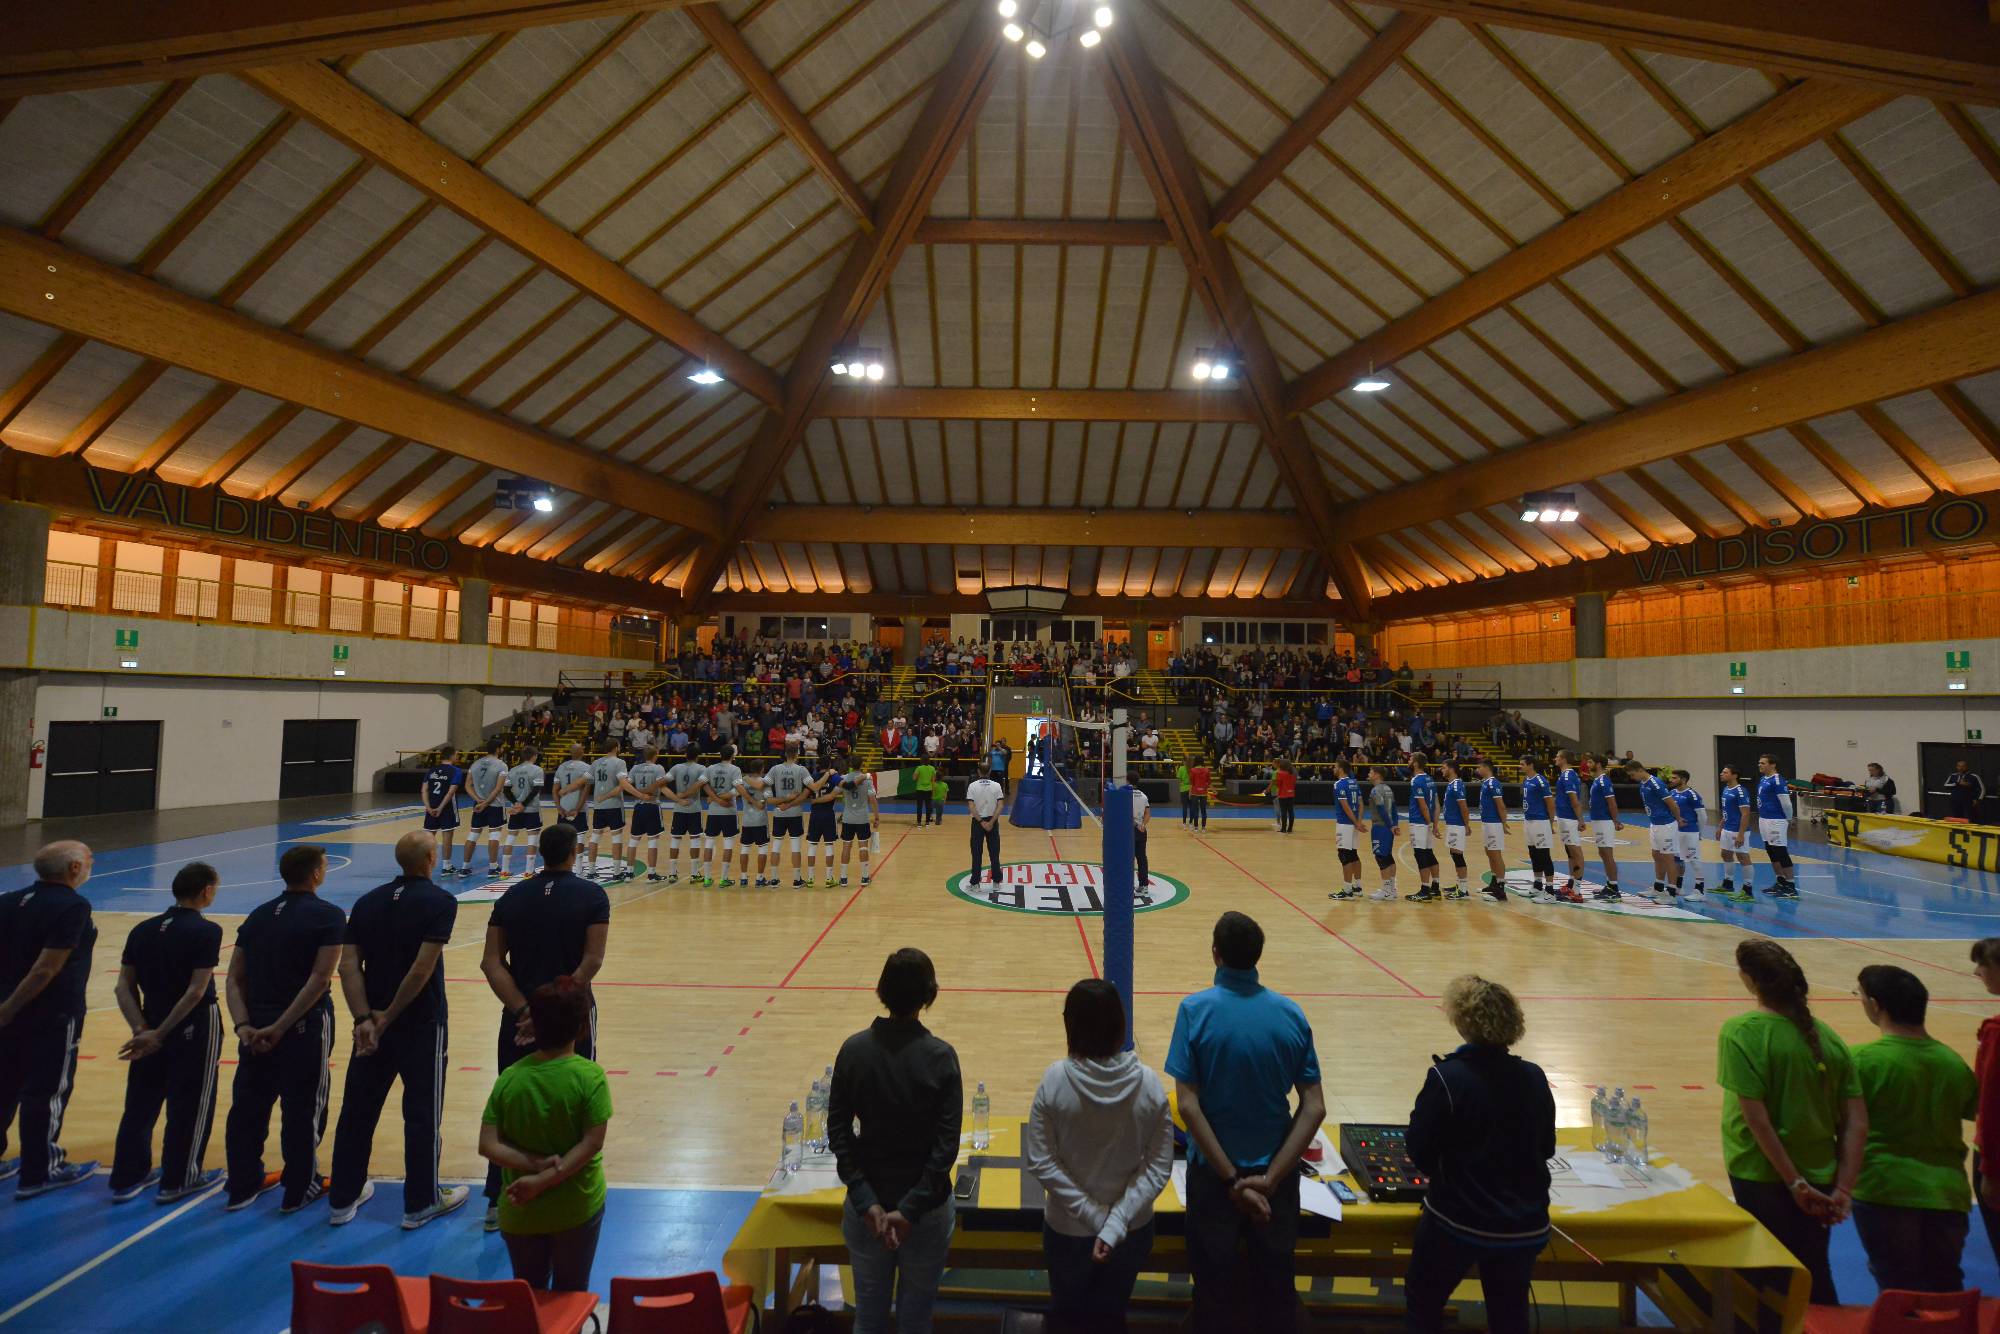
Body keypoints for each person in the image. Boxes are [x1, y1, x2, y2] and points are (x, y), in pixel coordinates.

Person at [1165, 912, 1323, 1333]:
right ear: (1257, 957)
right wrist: (1269, 1179)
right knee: (1275, 1294)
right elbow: (1314, 1107)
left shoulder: (1195, 1010)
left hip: (1215, 1181)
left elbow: (1189, 1107)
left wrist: (1234, 1180)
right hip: (1276, 1181)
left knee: (1212, 1297)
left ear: (1215, 953)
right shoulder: (1290, 1014)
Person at [328, 831, 469, 1229]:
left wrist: (364, 1020)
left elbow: (348, 966)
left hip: (370, 1027)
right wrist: (387, 1017)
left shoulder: (367, 902)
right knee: (422, 1113)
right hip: (420, 1023)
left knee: (357, 1110)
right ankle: (421, 1202)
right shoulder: (441, 902)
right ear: (430, 859)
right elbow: (421, 969)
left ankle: (342, 1199)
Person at [479, 823, 611, 1231]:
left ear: (540, 853)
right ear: (574, 852)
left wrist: (525, 1009)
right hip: (570, 1016)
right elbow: (592, 961)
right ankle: (567, 1187)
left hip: (518, 1017)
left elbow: (491, 963)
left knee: (512, 1100)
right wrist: (554, 1007)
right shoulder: (592, 896)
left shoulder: (512, 896)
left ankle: (497, 1200)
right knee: (575, 1100)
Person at [1403, 976, 1554, 1334]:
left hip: (1460, 1222)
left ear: (1462, 1022)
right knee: (1510, 1316)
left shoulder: (1448, 1077)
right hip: (1525, 1226)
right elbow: (1546, 1147)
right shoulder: (1534, 1077)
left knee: (1423, 1302)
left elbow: (1419, 1149)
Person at [1717, 939, 1864, 1304]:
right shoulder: (1829, 1037)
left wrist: (1794, 1182)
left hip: (1762, 1173)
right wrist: (1844, 1188)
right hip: (1821, 1174)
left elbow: (1758, 1120)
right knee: (1813, 1271)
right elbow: (1856, 1123)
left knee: (1771, 1280)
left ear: (1751, 981)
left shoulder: (1741, 1032)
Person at [1024, 979, 1173, 1333]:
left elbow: (1041, 1160)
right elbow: (1158, 1166)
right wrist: (1115, 1223)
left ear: (1071, 1026)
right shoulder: (1150, 1084)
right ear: (1120, 1025)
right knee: (1111, 1318)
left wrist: (1095, 1217)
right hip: (1130, 1232)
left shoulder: (1054, 1080)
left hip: (1068, 1231)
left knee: (1068, 1319)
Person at [828, 948, 963, 1334]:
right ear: (929, 995)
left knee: (868, 1318)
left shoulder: (854, 1050)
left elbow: (838, 1132)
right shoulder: (941, 1058)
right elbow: (945, 1148)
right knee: (916, 1320)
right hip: (926, 1215)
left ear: (882, 991)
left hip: (867, 1211)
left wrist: (865, 1200)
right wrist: (910, 1209)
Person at [224, 844, 344, 1212]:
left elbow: (234, 978)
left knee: (248, 1107)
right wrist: (281, 1026)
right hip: (302, 1027)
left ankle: (242, 1185)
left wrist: (243, 1025)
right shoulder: (328, 915)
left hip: (255, 1027)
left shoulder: (258, 915)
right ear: (316, 874)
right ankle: (300, 1187)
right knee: (304, 1107)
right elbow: (319, 979)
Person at [479, 977, 613, 1293]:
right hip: (576, 1206)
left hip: (520, 1209)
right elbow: (592, 1142)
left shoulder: (509, 1079)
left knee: (529, 1296)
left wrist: (535, 1167)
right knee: (571, 1298)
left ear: (533, 1026)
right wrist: (546, 1178)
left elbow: (487, 1145)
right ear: (582, 1027)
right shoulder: (591, 1077)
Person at [1849, 964, 1976, 1293]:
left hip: (1884, 1188)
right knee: (1946, 1287)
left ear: (1875, 1005)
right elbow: (1977, 1110)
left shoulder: (1861, 1061)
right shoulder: (1952, 1062)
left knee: (1897, 1288)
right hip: (1947, 1193)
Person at [109, 861, 223, 1204]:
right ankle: (180, 1179)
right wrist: (161, 1033)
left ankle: (127, 1177)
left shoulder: (142, 929)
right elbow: (196, 991)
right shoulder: (206, 931)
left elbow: (123, 987)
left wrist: (142, 1029)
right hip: (192, 1025)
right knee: (190, 1103)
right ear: (206, 891)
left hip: (149, 1019)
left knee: (140, 1102)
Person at [0, 841, 100, 1197]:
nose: (91, 864)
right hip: (51, 1013)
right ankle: (40, 1170)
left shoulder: (9, 901)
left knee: (4, 1085)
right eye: (88, 859)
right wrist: (11, 1007)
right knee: (45, 1092)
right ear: (73, 868)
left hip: (7, 1013)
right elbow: (46, 968)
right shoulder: (73, 906)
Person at [1969, 937, 2000, 1270]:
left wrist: (1990, 1170)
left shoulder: (1996, 1032)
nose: (1978, 972)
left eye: (1984, 965)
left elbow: (1990, 1106)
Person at [1627, 760, 1681, 903]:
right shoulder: (1643, 784)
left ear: (1639, 770)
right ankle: (1658, 887)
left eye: (1632, 774)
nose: (1632, 778)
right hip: (1655, 824)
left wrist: (1679, 819)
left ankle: (1672, 893)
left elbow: (1672, 804)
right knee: (1656, 855)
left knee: (1668, 857)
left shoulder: (1655, 783)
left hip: (1666, 824)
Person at [766, 744, 814, 888]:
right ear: (797, 754)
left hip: (779, 812)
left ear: (785, 754)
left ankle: (774, 879)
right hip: (795, 812)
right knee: (796, 847)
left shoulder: (775, 769)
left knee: (776, 846)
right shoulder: (801, 769)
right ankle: (796, 879)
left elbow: (765, 784)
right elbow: (812, 787)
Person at [699, 743, 746, 888]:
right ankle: (723, 879)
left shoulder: (710, 768)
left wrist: (714, 797)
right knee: (728, 844)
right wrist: (721, 798)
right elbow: (737, 791)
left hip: (713, 811)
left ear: (720, 755)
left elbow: (703, 784)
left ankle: (707, 878)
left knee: (709, 843)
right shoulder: (735, 769)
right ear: (733, 756)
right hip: (728, 811)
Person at [461, 748, 511, 879]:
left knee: (473, 834)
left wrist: (478, 800)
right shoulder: (501, 765)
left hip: (478, 804)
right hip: (495, 804)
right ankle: (493, 868)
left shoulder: (475, 764)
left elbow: (467, 785)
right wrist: (486, 802)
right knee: (494, 835)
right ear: (498, 749)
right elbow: (498, 788)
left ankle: (464, 868)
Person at [586, 742, 631, 881]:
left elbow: (587, 781)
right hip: (614, 805)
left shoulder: (596, 763)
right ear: (616, 748)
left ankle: (591, 871)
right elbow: (622, 785)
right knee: (616, 837)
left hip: (599, 806)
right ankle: (617, 872)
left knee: (595, 837)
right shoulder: (620, 762)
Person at [1755, 754, 1798, 898]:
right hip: (1764, 819)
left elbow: (1786, 803)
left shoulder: (1778, 780)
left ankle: (1791, 886)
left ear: (1772, 765)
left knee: (1780, 851)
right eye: (1759, 763)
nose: (1759, 765)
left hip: (1776, 820)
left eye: (1763, 763)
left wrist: (1789, 819)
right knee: (1771, 851)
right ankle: (1780, 881)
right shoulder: (1763, 779)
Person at [664, 744, 708, 884]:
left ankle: (672, 873)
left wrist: (678, 798)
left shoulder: (676, 767)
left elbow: (662, 783)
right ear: (697, 756)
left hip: (679, 809)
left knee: (675, 839)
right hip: (694, 808)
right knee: (695, 839)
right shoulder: (701, 768)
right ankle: (694, 874)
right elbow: (701, 785)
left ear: (685, 755)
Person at [622, 746, 667, 882]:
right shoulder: (658, 768)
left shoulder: (635, 768)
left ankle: (629, 873)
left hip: (638, 807)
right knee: (653, 841)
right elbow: (661, 784)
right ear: (656, 754)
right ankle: (651, 875)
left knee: (633, 840)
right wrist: (647, 792)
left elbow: (626, 785)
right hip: (652, 805)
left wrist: (639, 793)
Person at [1518, 755, 1559, 904]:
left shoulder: (1540, 780)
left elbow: (1550, 803)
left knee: (1543, 855)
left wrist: (1550, 823)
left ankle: (1550, 892)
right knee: (1533, 853)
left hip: (1540, 821)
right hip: (1528, 820)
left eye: (1522, 764)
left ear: (1531, 765)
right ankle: (1537, 886)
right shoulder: (1526, 780)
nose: (1520, 766)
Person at [502, 746, 547, 878]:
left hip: (516, 810)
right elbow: (536, 789)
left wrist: (516, 803)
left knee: (511, 837)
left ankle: (504, 870)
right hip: (531, 809)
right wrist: (523, 804)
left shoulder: (513, 770)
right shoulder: (537, 770)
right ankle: (529, 871)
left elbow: (506, 790)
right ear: (534, 756)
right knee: (532, 838)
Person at [420, 747, 464, 874]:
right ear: (451, 756)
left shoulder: (432, 770)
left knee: (428, 838)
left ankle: (422, 866)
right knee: (447, 836)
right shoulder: (456, 771)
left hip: (431, 806)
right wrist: (440, 807)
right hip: (447, 808)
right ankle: (447, 866)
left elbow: (424, 790)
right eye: (456, 754)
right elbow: (451, 792)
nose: (458, 757)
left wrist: (428, 807)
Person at [1586, 753, 1623, 902]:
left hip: (1604, 821)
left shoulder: (1603, 781)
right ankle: (1609, 885)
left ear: (1598, 764)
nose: (1587, 765)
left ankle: (1614, 890)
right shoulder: (1597, 780)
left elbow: (1612, 802)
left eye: (1590, 762)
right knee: (1602, 853)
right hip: (1597, 820)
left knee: (1607, 854)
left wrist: (1616, 821)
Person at [1404, 755, 1441, 903]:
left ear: (1416, 763)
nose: (1408, 762)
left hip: (1419, 823)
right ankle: (1435, 888)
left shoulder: (1416, 780)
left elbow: (1423, 805)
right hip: (1427, 823)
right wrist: (1434, 824)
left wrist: (1429, 823)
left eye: (1410, 760)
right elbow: (1437, 805)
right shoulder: (1430, 779)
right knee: (1429, 853)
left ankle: (1425, 891)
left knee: (1421, 855)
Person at [1552, 750, 1587, 898]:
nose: (1555, 759)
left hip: (1569, 818)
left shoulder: (1568, 776)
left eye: (1557, 756)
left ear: (1564, 759)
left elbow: (1574, 800)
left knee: (1575, 851)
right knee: (1570, 852)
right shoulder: (1565, 775)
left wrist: (1580, 819)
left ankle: (1577, 891)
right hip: (1564, 817)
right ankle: (1571, 884)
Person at [1716, 765, 1753, 902]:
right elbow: (1726, 811)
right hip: (1727, 828)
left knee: (1743, 856)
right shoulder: (1726, 789)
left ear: (1734, 775)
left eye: (1725, 772)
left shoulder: (1740, 791)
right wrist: (1720, 827)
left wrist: (1741, 834)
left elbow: (1745, 814)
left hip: (1738, 830)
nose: (1721, 774)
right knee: (1725, 854)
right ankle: (1728, 884)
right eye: (1722, 772)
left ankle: (1748, 891)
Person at [807, 754, 845, 887]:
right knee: (829, 846)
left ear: (818, 764)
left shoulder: (812, 777)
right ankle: (829, 878)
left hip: (815, 815)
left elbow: (807, 794)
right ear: (829, 765)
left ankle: (810, 879)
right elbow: (838, 791)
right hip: (828, 814)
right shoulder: (833, 777)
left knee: (812, 846)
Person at [1329, 759, 1363, 902]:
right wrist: (1358, 822)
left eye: (1335, 767)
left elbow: (1345, 806)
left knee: (1344, 856)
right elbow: (1361, 804)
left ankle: (1347, 890)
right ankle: (1358, 887)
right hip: (1354, 825)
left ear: (1341, 769)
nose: (1333, 769)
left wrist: (1355, 822)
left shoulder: (1339, 784)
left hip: (1345, 824)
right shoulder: (1354, 783)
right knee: (1353, 854)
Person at [1670, 770, 1707, 902]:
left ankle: (1700, 891)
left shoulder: (1692, 795)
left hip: (1690, 831)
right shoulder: (1672, 793)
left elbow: (1702, 816)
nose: (1671, 780)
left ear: (1683, 779)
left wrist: (1699, 833)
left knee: (1694, 860)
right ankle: (1678, 887)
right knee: (1677, 859)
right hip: (1676, 831)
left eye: (1675, 778)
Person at [1475, 760, 1509, 903]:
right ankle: (1494, 883)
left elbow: (1500, 805)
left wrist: (1504, 823)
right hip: (1486, 822)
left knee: (1496, 854)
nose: (1477, 769)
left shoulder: (1493, 783)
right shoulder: (1485, 782)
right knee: (1489, 852)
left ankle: (1501, 889)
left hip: (1494, 823)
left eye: (1479, 767)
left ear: (1486, 768)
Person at [1438, 759, 1471, 899]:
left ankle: (1463, 890)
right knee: (1454, 854)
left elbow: (1464, 807)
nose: (1441, 770)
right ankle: (1459, 885)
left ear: (1451, 769)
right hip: (1452, 824)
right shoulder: (1452, 784)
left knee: (1458, 855)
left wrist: (1467, 825)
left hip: (1457, 825)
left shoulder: (1457, 785)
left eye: (1444, 767)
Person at [967, 769, 1005, 887]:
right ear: (989, 771)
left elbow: (971, 806)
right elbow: (1000, 806)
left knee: (976, 853)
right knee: (994, 853)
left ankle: (975, 883)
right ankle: (997, 882)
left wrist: (981, 821)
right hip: (992, 822)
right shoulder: (997, 785)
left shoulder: (972, 786)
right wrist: (991, 822)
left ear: (979, 772)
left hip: (978, 822)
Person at [551, 745, 592, 842]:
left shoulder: (561, 767)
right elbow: (586, 791)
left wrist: (559, 809)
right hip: (579, 810)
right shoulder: (587, 767)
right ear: (582, 752)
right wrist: (577, 809)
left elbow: (554, 790)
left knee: (563, 840)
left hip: (563, 809)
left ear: (570, 753)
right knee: (579, 840)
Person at [1129, 783, 1152, 890]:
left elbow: (1125, 814)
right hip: (1141, 831)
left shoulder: (1126, 796)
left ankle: (1128, 885)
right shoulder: (1143, 796)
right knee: (1142, 858)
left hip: (1129, 831)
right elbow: (1148, 813)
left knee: (1128, 859)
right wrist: (1143, 824)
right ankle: (1144, 886)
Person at [1272, 761, 1296, 835]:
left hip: (1283, 794)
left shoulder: (1280, 773)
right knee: (1291, 811)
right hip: (1291, 794)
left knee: (1283, 812)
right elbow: (1294, 783)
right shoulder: (1293, 773)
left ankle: (1283, 829)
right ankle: (1290, 829)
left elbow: (1278, 784)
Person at [1188, 758, 1211, 832]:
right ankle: (1203, 828)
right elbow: (1208, 782)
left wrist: (1189, 793)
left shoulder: (1192, 770)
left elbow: (1191, 783)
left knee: (1195, 810)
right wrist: (1214, 790)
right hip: (1203, 793)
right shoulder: (1207, 770)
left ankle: (1196, 828)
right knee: (1203, 810)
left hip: (1195, 793)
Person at [912, 757, 937, 828]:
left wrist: (917, 775)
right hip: (929, 790)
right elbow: (933, 781)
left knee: (919, 807)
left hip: (920, 789)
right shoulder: (932, 768)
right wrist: (933, 791)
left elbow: (914, 778)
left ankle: (919, 823)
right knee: (928, 807)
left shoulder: (919, 768)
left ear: (921, 761)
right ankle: (927, 823)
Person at [1175, 759, 1192, 827]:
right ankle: (1191, 823)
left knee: (1184, 807)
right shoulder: (1191, 768)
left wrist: (1182, 784)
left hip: (1183, 789)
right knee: (1191, 807)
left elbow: (1179, 779)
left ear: (1184, 762)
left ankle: (1184, 823)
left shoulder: (1181, 768)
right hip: (1191, 789)